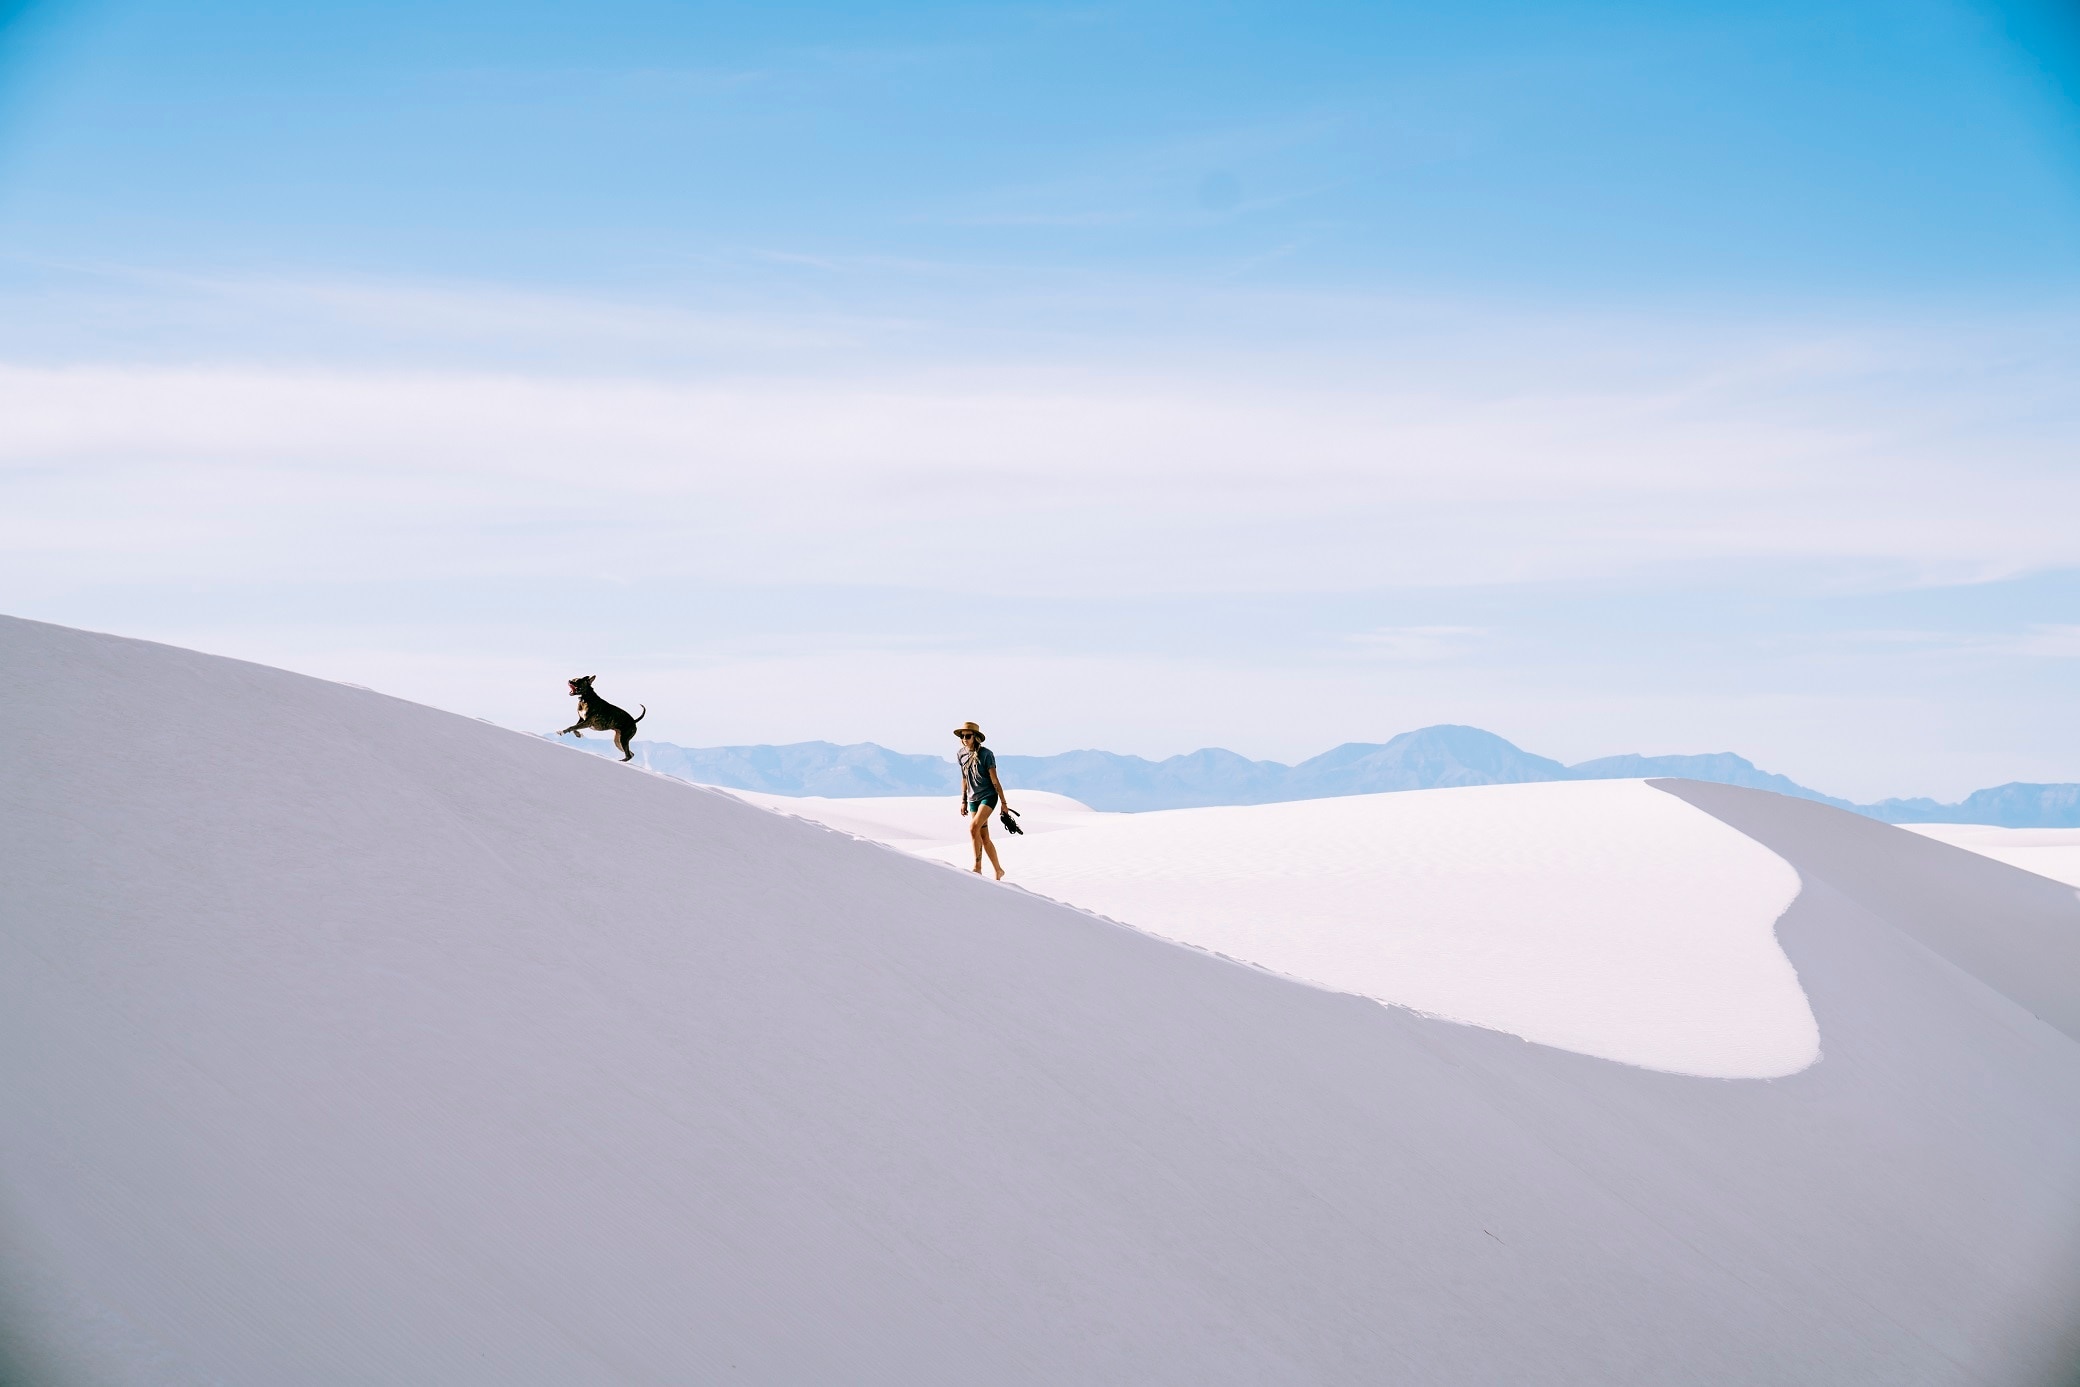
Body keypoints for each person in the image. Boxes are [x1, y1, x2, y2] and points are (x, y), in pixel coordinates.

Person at [954, 721, 1011, 880]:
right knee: (984, 836)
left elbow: (994, 779)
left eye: (968, 736)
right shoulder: (961, 754)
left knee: (973, 828)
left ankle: (977, 867)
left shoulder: (986, 754)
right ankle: (998, 870)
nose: (965, 739)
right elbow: (964, 778)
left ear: (976, 737)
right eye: (963, 736)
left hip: (988, 796)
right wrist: (963, 800)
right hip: (973, 798)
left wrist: (1004, 803)